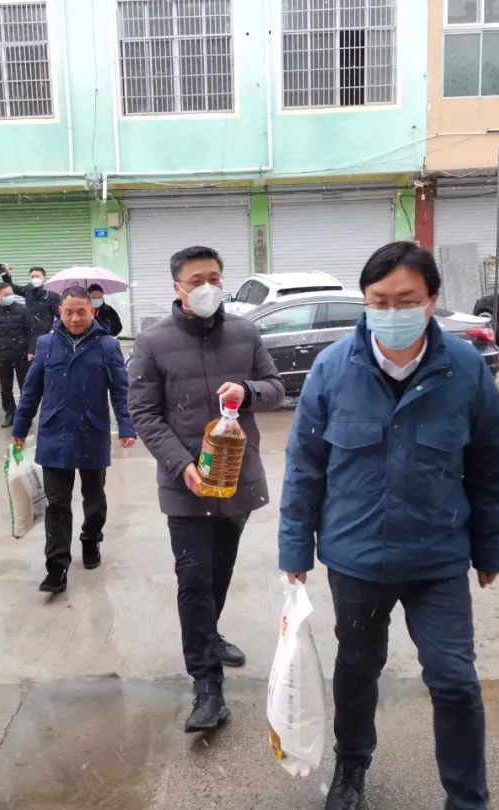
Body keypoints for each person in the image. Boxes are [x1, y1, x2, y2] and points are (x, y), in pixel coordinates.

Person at [278, 242, 499, 810]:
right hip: (356, 558)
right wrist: (294, 550)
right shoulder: (333, 370)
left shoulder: (465, 370)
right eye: (379, 301)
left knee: (455, 680)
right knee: (357, 668)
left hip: (438, 557)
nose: (391, 312)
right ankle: (351, 766)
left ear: (432, 300)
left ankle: (467, 799)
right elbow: (305, 466)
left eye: (406, 300)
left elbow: (490, 464)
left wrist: (490, 548)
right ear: (364, 300)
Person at [128, 245, 285, 734]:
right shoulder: (152, 342)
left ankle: (209, 634)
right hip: (187, 485)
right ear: (177, 287)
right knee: (193, 578)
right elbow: (144, 413)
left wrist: (247, 391)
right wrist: (182, 465)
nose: (207, 287)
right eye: (196, 280)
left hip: (234, 478)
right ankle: (207, 686)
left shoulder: (245, 332)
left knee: (219, 570)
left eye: (214, 278)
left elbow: (276, 388)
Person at [12, 285, 136, 594]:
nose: (75, 318)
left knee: (94, 498)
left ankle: (91, 537)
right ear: (60, 312)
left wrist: (126, 426)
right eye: (69, 312)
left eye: (82, 311)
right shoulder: (46, 344)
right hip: (55, 433)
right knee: (57, 503)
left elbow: (120, 391)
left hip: (92, 431)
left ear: (92, 311)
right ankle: (56, 566)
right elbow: (31, 390)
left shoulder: (107, 346)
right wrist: (20, 427)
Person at [0, 281, 31, 428]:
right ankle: (10, 413)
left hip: (22, 354)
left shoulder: (22, 309)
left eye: (11, 293)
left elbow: (31, 332)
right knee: (6, 387)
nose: (10, 296)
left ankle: (24, 414)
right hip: (3, 355)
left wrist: (31, 351)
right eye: (6, 294)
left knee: (25, 386)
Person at [2, 265, 62, 359]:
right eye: (32, 276)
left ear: (44, 278)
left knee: (44, 360)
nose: (35, 279)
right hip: (28, 334)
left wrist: (54, 329)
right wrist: (7, 275)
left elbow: (61, 315)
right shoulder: (28, 289)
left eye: (37, 276)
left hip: (45, 334)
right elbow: (12, 288)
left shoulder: (52, 294)